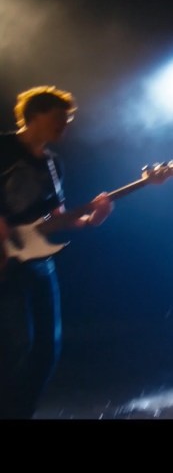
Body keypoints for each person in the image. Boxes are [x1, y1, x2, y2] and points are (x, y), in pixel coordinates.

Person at [0, 86, 114, 419]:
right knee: (13, 347)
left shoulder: (53, 164)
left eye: (67, 119)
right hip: (5, 263)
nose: (65, 124)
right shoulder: (3, 147)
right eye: (58, 117)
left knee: (47, 347)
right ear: (34, 116)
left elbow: (55, 217)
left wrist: (91, 218)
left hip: (38, 262)